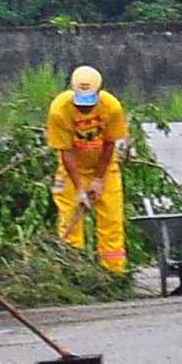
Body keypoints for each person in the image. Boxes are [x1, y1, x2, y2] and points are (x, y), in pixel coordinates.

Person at [47, 65, 129, 277]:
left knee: (111, 221)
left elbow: (110, 143)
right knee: (70, 220)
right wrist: (80, 190)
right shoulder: (60, 110)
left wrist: (99, 180)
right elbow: (65, 152)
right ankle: (74, 274)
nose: (84, 109)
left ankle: (114, 274)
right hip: (71, 169)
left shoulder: (111, 107)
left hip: (105, 168)